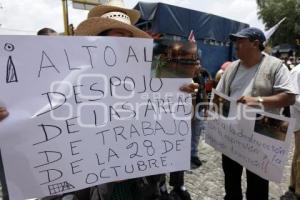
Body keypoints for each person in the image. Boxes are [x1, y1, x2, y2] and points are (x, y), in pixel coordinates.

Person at [75, 0, 198, 200]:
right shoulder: (78, 80)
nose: (126, 41)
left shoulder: (151, 77)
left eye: (129, 35)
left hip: (143, 179)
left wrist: (185, 98)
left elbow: (182, 120)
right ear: (99, 40)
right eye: (119, 35)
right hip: (101, 181)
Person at [216, 27, 296, 200]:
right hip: (233, 134)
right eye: (235, 41)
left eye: (240, 41)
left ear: (255, 43)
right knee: (231, 181)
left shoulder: (275, 66)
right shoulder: (231, 68)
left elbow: (289, 97)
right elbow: (219, 96)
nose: (235, 45)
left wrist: (258, 100)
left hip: (261, 138)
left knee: (258, 187)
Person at [281, 63, 300, 200]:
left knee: (298, 155)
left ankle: (294, 186)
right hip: (299, 121)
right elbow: (294, 98)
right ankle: (297, 190)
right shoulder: (297, 71)